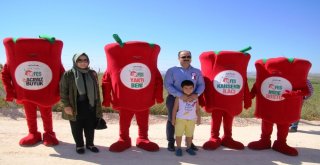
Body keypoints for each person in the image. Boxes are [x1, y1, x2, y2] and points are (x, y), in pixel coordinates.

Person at [60, 53, 103, 154]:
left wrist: (98, 105)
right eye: (80, 60)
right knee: (76, 127)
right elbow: (63, 91)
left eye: (85, 60)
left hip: (91, 105)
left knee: (90, 127)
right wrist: (66, 105)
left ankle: (90, 144)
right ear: (75, 61)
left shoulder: (92, 73)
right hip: (75, 106)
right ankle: (79, 146)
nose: (83, 62)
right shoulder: (68, 74)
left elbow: (96, 90)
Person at [164, 50, 205, 152]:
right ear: (179, 58)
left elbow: (201, 84)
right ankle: (171, 142)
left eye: (188, 56)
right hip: (174, 98)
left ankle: (189, 143)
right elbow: (168, 84)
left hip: (192, 100)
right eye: (183, 57)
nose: (186, 58)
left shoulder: (196, 71)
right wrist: (180, 95)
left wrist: (196, 95)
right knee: (172, 119)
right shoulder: (172, 70)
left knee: (190, 120)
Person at [172, 80, 201, 156]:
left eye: (190, 88)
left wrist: (199, 118)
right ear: (182, 88)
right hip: (180, 119)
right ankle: (178, 148)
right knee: (178, 134)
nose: (188, 90)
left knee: (189, 135)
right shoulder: (179, 98)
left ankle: (188, 148)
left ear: (193, 88)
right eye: (186, 88)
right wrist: (173, 119)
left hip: (191, 120)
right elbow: (175, 109)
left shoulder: (195, 98)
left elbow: (197, 109)